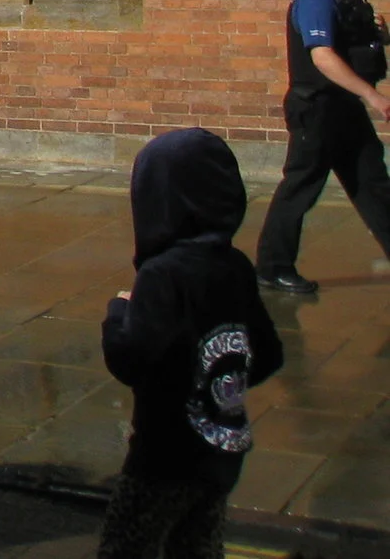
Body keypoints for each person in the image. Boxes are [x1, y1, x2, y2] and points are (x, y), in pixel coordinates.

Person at [99, 129, 284, 557]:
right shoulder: (234, 266)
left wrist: (118, 313)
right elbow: (268, 353)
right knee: (197, 544)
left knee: (127, 546)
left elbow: (131, 358)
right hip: (224, 448)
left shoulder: (163, 275)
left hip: (163, 456)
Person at [253, 0, 390, 294]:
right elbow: (324, 58)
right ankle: (272, 267)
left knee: (372, 182)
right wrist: (375, 98)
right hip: (317, 110)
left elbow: (351, 48)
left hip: (343, 109)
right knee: (301, 187)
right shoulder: (314, 1)